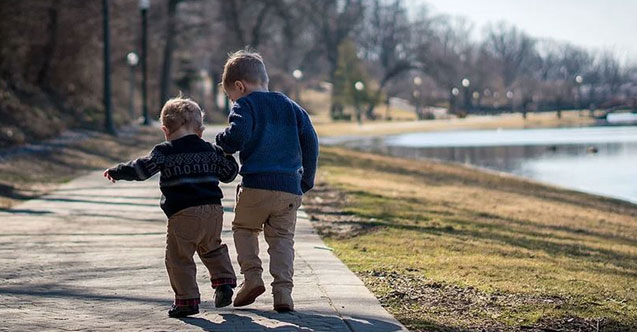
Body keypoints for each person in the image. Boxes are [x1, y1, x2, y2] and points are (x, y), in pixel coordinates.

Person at [103, 96, 238, 318]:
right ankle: (224, 283)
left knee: (179, 257)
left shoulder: (164, 152)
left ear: (165, 130)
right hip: (213, 212)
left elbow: (141, 170)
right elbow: (229, 174)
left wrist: (118, 171)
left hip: (184, 213)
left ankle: (186, 301)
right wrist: (228, 155)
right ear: (200, 130)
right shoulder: (210, 150)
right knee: (212, 247)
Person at [216, 50, 319, 312]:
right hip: (288, 188)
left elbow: (237, 137)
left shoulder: (245, 105)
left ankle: (252, 278)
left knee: (244, 229)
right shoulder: (292, 107)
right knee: (283, 239)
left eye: (231, 97)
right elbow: (311, 142)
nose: (233, 101)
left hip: (256, 185)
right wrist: (306, 180)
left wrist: (221, 142)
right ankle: (283, 293)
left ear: (240, 86)